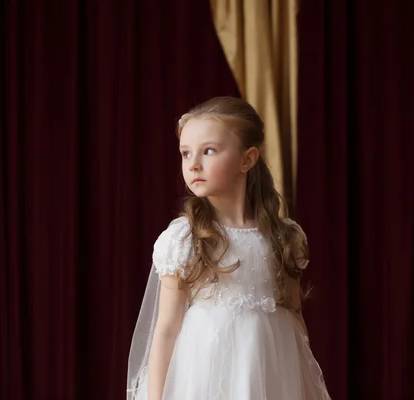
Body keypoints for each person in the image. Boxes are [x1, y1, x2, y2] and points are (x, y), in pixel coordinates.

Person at [127, 96, 331, 399]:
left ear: (247, 159)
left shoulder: (283, 235)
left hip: (274, 371)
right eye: (185, 153)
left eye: (209, 151)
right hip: (204, 375)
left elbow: (295, 319)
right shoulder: (186, 238)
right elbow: (166, 329)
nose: (193, 164)